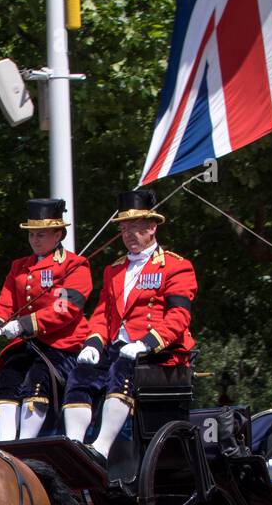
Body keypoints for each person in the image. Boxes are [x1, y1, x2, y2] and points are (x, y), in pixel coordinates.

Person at [62, 188, 198, 461]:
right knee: (81, 373)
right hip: (117, 346)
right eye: (124, 229)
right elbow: (102, 314)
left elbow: (179, 316)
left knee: (121, 370)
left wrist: (146, 343)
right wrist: (92, 343)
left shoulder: (175, 266)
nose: (128, 235)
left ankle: (101, 446)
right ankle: (73, 447)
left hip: (160, 352)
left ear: (152, 227)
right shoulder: (114, 270)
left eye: (135, 228)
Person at [0, 197, 93, 440]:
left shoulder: (75, 266)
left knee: (37, 380)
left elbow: (65, 308)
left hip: (62, 345)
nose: (34, 239)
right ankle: (7, 444)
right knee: (7, 376)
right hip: (29, 344)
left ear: (58, 235)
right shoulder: (19, 267)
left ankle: (26, 443)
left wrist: (23, 324)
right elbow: (6, 301)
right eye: (32, 234)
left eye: (41, 234)